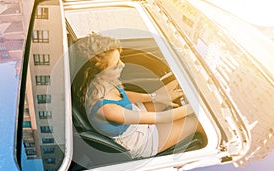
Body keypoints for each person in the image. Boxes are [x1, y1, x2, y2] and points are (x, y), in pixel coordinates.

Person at [72, 32, 203, 159]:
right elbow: (161, 117)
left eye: (120, 59)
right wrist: (195, 107)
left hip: (134, 114)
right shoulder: (107, 110)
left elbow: (123, 95)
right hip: (142, 140)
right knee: (198, 122)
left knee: (175, 85)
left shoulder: (97, 83)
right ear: (96, 73)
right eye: (115, 66)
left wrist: (155, 97)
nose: (122, 65)